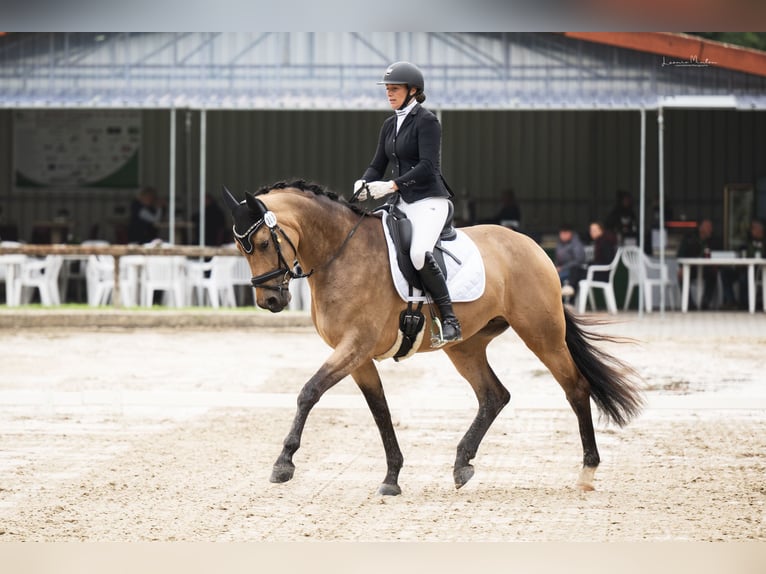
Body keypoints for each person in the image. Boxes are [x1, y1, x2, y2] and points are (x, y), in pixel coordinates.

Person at [353, 61, 461, 344]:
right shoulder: (389, 125)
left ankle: (449, 319)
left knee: (418, 253)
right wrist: (363, 182)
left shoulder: (427, 121)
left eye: (395, 89)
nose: (389, 94)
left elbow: (428, 166)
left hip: (429, 201)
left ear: (413, 91)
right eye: (387, 89)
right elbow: (377, 164)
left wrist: (391, 185)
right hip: (402, 202)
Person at [676, 218, 726, 310]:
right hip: (691, 269)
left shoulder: (714, 240)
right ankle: (689, 304)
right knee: (681, 276)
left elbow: (719, 254)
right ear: (700, 228)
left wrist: (716, 266)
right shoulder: (689, 238)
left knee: (713, 275)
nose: (710, 229)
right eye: (708, 227)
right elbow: (680, 255)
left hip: (707, 269)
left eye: (711, 227)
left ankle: (705, 303)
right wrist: (682, 267)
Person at [735, 219, 765, 309]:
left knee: (744, 278)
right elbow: (740, 252)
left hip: (761, 270)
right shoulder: (748, 241)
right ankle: (731, 301)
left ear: (760, 230)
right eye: (751, 228)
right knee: (725, 274)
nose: (751, 230)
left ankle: (746, 304)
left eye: (753, 228)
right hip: (744, 268)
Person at [555, 223, 586, 292]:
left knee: (556, 278)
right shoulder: (559, 243)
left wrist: (562, 268)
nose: (563, 235)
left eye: (565, 233)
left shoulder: (576, 243)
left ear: (570, 233)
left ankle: (568, 298)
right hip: (561, 270)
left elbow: (579, 260)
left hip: (574, 271)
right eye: (561, 233)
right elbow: (557, 260)